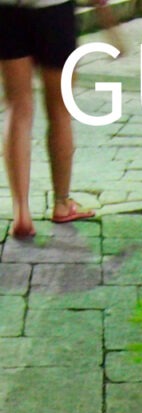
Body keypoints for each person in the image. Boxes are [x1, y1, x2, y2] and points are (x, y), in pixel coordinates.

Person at [0, 0, 95, 239]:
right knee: (60, 111)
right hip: (54, 9)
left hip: (7, 9)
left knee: (17, 109)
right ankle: (61, 203)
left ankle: (21, 211)